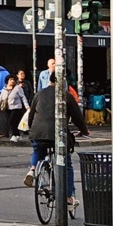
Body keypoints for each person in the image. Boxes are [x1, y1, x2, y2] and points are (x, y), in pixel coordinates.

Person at [25, 73, 88, 203]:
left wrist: (32, 129)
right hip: (57, 134)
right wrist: (84, 130)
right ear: (62, 81)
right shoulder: (66, 95)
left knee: (38, 150)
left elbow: (31, 115)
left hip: (38, 132)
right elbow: (77, 117)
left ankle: (32, 170)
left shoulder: (39, 94)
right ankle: (68, 197)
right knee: (67, 164)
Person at [3, 76, 29, 141]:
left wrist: (27, 106)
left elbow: (23, 97)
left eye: (13, 79)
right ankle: (17, 135)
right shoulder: (5, 88)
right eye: (10, 79)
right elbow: (1, 98)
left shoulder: (18, 88)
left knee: (11, 121)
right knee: (13, 122)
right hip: (8, 107)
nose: (12, 81)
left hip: (17, 107)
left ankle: (14, 135)